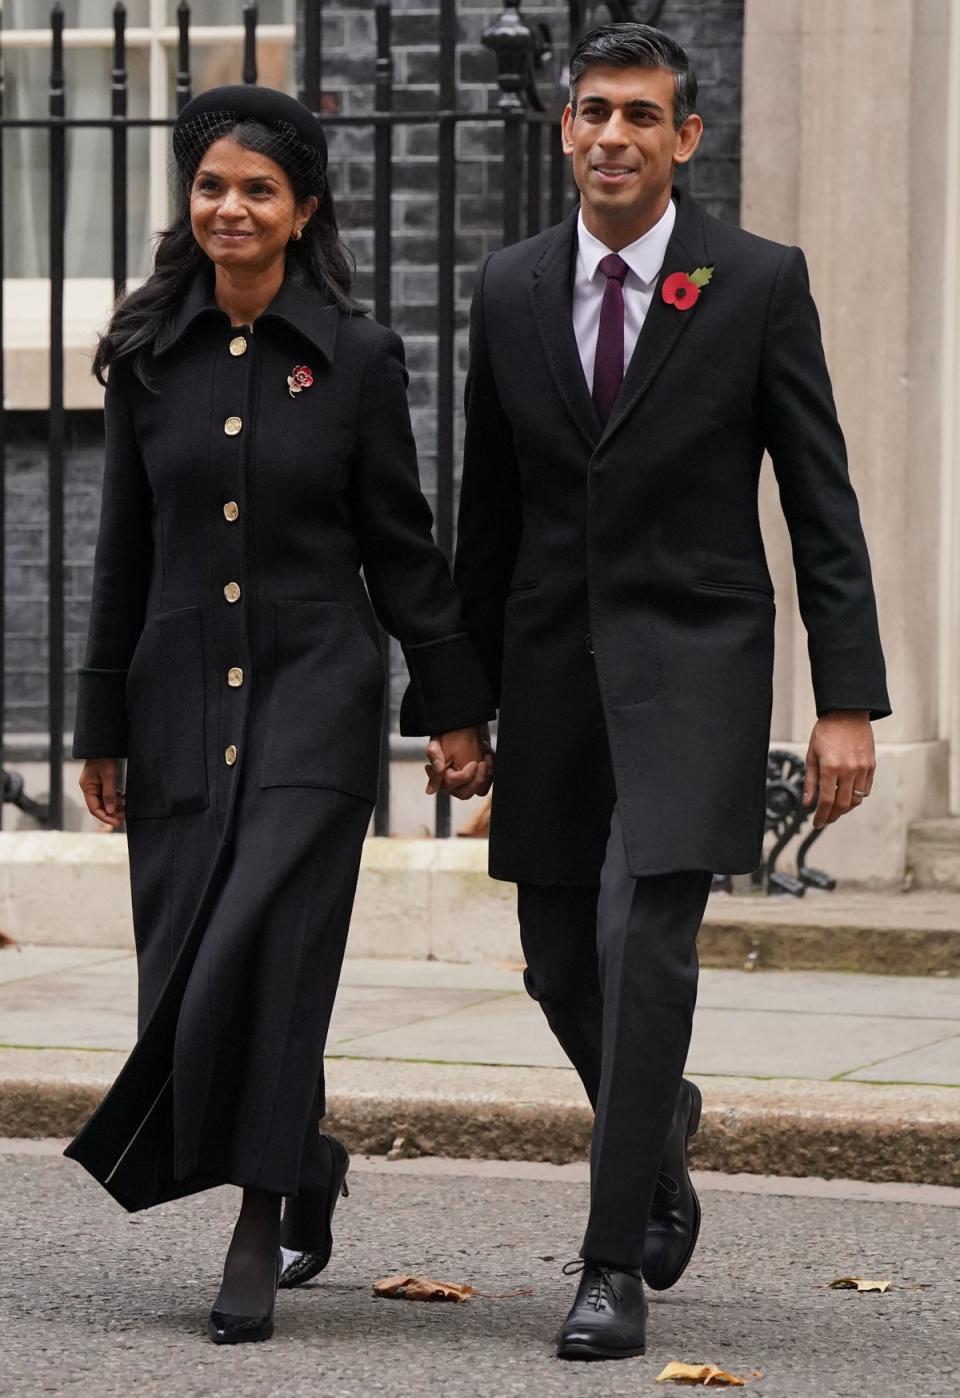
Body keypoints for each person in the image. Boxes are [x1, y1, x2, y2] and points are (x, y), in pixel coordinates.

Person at [451, 23, 889, 1361]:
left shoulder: (755, 282)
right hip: (550, 667)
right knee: (553, 957)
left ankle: (606, 1264)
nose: (614, 136)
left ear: (686, 138)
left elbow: (821, 497)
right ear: (567, 128)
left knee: (644, 939)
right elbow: (491, 512)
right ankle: (659, 1131)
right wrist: (459, 704)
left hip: (697, 660)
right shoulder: (511, 286)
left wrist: (846, 697)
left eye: (643, 115)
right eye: (594, 112)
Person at [66, 83, 494, 1345]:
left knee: (271, 940)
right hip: (180, 693)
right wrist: (104, 722)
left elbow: (401, 546)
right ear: (188, 201)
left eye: (258, 188)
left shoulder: (358, 358)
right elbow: (120, 552)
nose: (231, 207)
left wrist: (454, 707)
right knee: (193, 966)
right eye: (211, 185)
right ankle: (304, 1160)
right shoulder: (147, 355)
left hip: (318, 687)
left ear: (304, 210)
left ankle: (260, 1219)